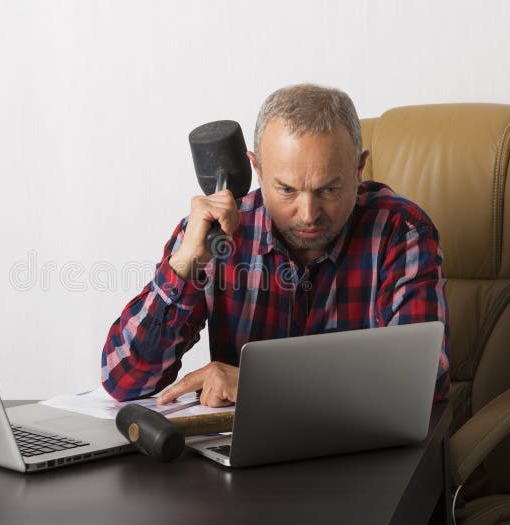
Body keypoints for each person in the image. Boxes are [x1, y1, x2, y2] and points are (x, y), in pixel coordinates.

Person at [101, 84, 449, 407]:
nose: (309, 214)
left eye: (329, 189)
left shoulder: (401, 232)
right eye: (287, 190)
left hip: (359, 459)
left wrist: (261, 384)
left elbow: (420, 381)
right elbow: (124, 380)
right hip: (243, 462)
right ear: (257, 170)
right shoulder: (216, 234)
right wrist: (185, 267)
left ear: (359, 169)